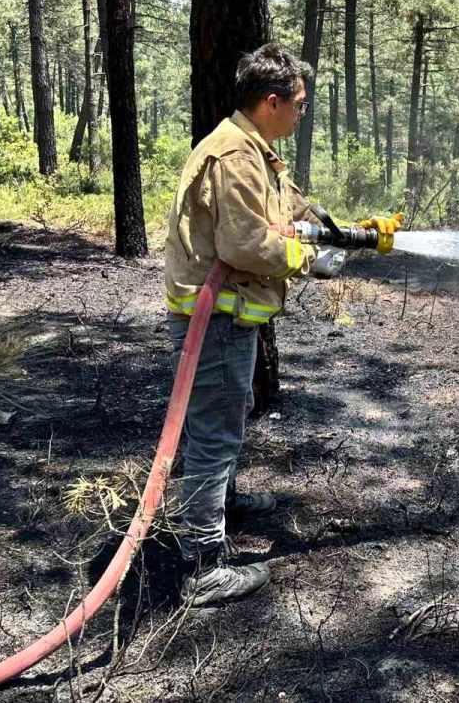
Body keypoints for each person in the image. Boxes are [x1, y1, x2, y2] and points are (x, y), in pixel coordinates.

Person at [163, 43, 401, 606]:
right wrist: (305, 259)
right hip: (214, 319)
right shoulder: (235, 157)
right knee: (216, 432)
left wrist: (346, 230)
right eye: (298, 103)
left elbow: (288, 207)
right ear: (272, 102)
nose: (302, 112)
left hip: (223, 317)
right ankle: (203, 563)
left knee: (221, 420)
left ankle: (220, 502)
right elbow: (245, 243)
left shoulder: (254, 149)